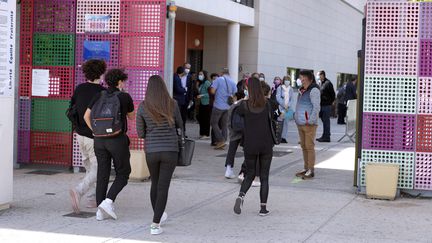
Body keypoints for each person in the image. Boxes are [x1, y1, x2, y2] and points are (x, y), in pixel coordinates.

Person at [84, 69, 135, 221]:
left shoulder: (99, 95)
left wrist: (95, 131)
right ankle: (108, 201)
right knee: (123, 173)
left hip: (99, 140)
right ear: (120, 82)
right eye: (123, 81)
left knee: (102, 174)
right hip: (117, 139)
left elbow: (86, 115)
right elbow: (131, 117)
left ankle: (100, 212)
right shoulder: (124, 96)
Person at [136, 75, 183, 235]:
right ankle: (155, 224)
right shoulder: (172, 104)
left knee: (155, 184)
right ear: (163, 87)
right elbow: (180, 126)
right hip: (170, 150)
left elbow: (141, 133)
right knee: (163, 187)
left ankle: (159, 216)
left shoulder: (143, 107)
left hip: (152, 151)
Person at [233, 77, 275, 216]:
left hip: (250, 143)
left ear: (248, 89)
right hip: (266, 143)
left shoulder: (244, 105)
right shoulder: (268, 103)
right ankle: (263, 208)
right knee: (264, 177)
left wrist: (244, 98)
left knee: (249, 174)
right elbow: (275, 116)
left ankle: (241, 196)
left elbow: (235, 112)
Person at [69, 59, 107, 213]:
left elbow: (72, 108)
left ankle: (94, 198)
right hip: (93, 136)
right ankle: (79, 191)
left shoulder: (79, 88)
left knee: (90, 167)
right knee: (97, 169)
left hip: (80, 134)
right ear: (101, 73)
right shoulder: (102, 92)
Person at [294, 70, 320, 179]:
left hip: (309, 124)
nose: (301, 79)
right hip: (300, 123)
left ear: (308, 78)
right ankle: (306, 168)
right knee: (304, 146)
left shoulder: (314, 90)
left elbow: (316, 107)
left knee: (309, 146)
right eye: (300, 77)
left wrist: (310, 120)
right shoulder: (302, 90)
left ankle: (311, 169)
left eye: (302, 77)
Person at [209, 68, 237, 149]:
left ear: (221, 73)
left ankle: (220, 140)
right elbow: (235, 94)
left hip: (218, 105)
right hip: (228, 106)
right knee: (224, 124)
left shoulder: (218, 80)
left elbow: (212, 91)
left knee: (213, 123)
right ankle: (223, 141)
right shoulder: (232, 81)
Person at [173, 64, 193, 135]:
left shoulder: (189, 77)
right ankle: (177, 131)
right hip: (178, 99)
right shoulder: (176, 76)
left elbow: (190, 88)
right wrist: (184, 90)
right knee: (176, 116)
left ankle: (183, 132)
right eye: (186, 68)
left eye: (189, 68)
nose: (188, 69)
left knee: (183, 116)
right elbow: (177, 88)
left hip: (185, 99)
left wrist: (191, 99)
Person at [316, 70, 335, 143]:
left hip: (326, 105)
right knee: (324, 121)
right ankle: (325, 134)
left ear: (322, 75)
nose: (317, 77)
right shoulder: (320, 83)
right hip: (321, 105)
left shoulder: (328, 83)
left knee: (326, 121)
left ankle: (327, 137)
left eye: (319, 75)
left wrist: (330, 102)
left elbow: (333, 95)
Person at [276, 76, 294, 143]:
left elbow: (292, 99)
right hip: (281, 107)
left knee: (286, 123)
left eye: (288, 80)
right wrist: (284, 105)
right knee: (279, 121)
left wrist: (288, 105)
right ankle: (278, 136)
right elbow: (278, 98)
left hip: (288, 109)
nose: (287, 81)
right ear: (283, 81)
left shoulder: (291, 89)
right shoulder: (280, 88)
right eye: (286, 80)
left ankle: (284, 137)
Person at [197, 70, 212, 139]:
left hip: (207, 103)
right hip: (202, 103)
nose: (199, 76)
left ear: (204, 75)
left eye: (201, 74)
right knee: (201, 118)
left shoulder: (207, 83)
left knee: (206, 119)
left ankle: (206, 134)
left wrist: (202, 95)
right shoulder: (201, 83)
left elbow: (211, 94)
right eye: (199, 74)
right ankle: (202, 133)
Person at [209, 73, 219, 146]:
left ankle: (218, 139)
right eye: (214, 78)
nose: (215, 80)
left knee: (219, 124)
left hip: (220, 107)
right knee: (214, 123)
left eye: (217, 79)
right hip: (213, 106)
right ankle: (214, 141)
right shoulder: (211, 87)